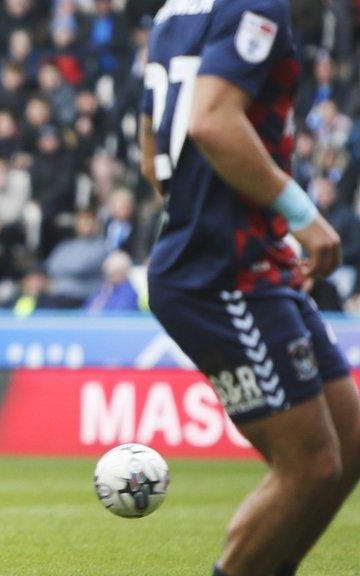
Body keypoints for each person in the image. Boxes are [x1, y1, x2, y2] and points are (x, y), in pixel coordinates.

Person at [139, 2, 360, 575]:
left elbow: (150, 157)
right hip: (223, 272)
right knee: (308, 466)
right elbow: (210, 121)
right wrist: (300, 213)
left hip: (246, 259)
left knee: (348, 442)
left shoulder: (173, 15)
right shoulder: (255, 4)